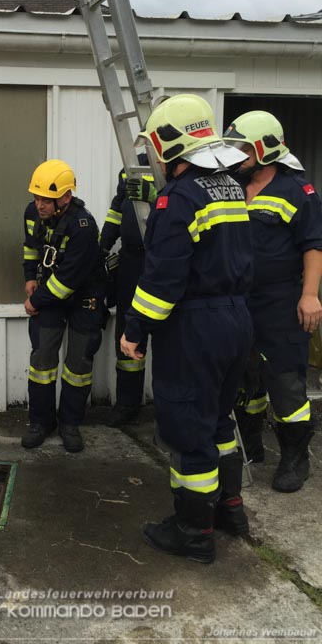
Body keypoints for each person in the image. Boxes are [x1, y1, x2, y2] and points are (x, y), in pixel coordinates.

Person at [121, 94, 253, 564]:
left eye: (156, 145)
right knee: (219, 421)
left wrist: (133, 330)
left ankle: (194, 531)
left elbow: (163, 280)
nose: (154, 156)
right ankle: (229, 510)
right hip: (237, 319)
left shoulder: (178, 198)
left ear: (169, 142)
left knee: (188, 428)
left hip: (195, 326)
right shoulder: (232, 186)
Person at [223, 111, 322, 492]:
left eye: (245, 147)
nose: (239, 154)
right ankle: (251, 444)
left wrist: (310, 295)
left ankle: (296, 458)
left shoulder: (297, 191)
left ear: (266, 148)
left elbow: (314, 244)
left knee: (284, 380)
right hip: (238, 300)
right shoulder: (233, 184)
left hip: (280, 301)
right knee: (246, 377)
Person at [22, 159, 106, 453]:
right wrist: (30, 278)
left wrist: (35, 300)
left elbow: (67, 281)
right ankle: (40, 422)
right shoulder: (32, 213)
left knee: (78, 364)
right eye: (37, 197)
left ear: (66, 197)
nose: (40, 204)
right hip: (50, 294)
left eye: (47, 199)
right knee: (42, 358)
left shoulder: (83, 226)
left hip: (83, 297)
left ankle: (70, 423)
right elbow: (31, 246)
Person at [100, 153, 156, 427]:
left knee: (167, 335)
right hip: (131, 261)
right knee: (128, 330)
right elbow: (117, 209)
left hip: (160, 260)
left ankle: (167, 407)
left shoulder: (181, 167)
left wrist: (157, 196)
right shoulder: (131, 167)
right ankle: (127, 403)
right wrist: (102, 245)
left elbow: (185, 207)